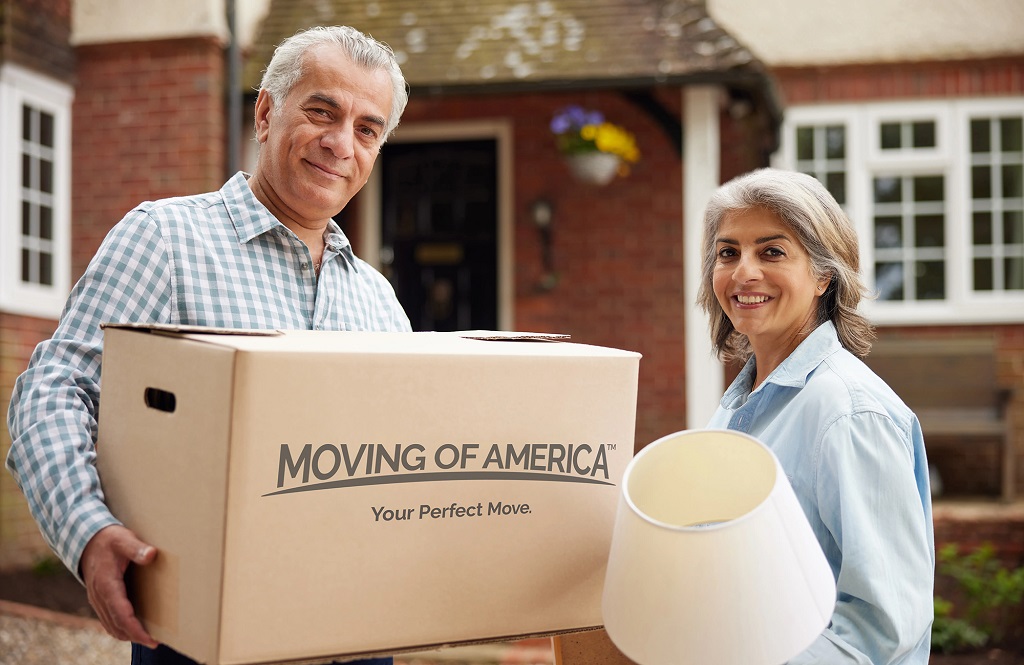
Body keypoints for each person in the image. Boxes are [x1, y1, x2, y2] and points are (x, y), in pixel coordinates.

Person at [7, 25, 410, 665]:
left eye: (367, 130)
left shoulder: (380, 303)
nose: (341, 144)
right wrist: (89, 532)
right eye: (321, 112)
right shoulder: (164, 239)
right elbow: (56, 390)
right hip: (204, 634)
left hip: (356, 636)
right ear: (265, 113)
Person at [697, 168, 934, 664]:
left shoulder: (848, 413)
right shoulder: (738, 405)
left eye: (772, 251)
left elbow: (881, 627)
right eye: (727, 252)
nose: (744, 273)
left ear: (824, 274)